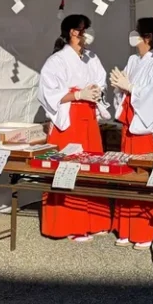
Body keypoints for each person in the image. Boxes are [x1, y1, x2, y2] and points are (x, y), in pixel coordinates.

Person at [38, 14, 112, 242]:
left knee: (93, 167)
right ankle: (70, 224)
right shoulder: (57, 60)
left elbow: (101, 80)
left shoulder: (91, 57)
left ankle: (96, 220)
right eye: (84, 28)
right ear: (73, 32)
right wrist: (77, 94)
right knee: (70, 168)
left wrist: (98, 91)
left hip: (88, 117)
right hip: (69, 119)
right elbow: (48, 93)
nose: (88, 32)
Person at [110, 17, 153, 250]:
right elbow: (127, 89)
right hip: (131, 123)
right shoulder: (132, 60)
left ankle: (147, 229)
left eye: (138, 32)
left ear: (148, 37)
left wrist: (131, 88)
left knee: (146, 176)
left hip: (148, 126)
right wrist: (119, 87)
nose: (134, 35)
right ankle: (126, 227)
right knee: (128, 174)